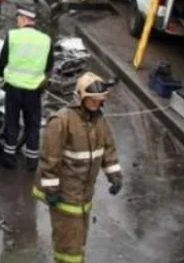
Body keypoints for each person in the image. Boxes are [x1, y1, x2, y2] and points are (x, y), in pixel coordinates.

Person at [34, 72, 123, 263]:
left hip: (83, 196)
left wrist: (114, 175)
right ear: (81, 97)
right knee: (68, 249)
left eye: (99, 100)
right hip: (64, 197)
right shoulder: (61, 121)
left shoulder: (99, 121)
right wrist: (51, 189)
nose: (95, 104)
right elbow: (50, 158)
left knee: (78, 245)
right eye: (92, 100)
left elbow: (108, 149)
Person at [0, 6, 54, 170]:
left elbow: (3, 60)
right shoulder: (46, 39)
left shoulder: (13, 36)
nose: (17, 21)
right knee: (32, 124)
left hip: (13, 88)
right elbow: (49, 65)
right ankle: (32, 161)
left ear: (25, 19)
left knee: (11, 122)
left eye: (18, 18)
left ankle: (9, 157)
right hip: (34, 90)